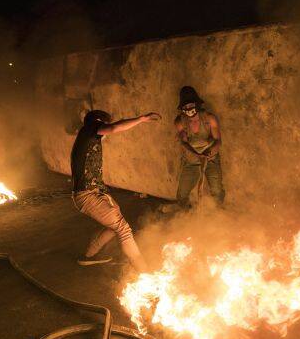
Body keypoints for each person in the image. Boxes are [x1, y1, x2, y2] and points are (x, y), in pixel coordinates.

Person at [70, 109, 161, 271]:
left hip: (94, 193)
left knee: (115, 226)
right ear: (98, 122)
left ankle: (89, 256)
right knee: (123, 228)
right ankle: (144, 271)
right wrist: (141, 119)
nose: (104, 133)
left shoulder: (87, 138)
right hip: (88, 195)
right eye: (103, 125)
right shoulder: (89, 129)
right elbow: (113, 128)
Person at [174, 86, 225, 208]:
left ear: (197, 104)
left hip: (210, 158)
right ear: (182, 108)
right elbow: (184, 143)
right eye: (185, 107)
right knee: (182, 195)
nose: (188, 109)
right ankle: (187, 217)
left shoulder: (209, 119)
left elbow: (218, 141)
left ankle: (218, 216)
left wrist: (209, 152)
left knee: (217, 191)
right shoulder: (180, 121)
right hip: (191, 160)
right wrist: (197, 155)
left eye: (190, 105)